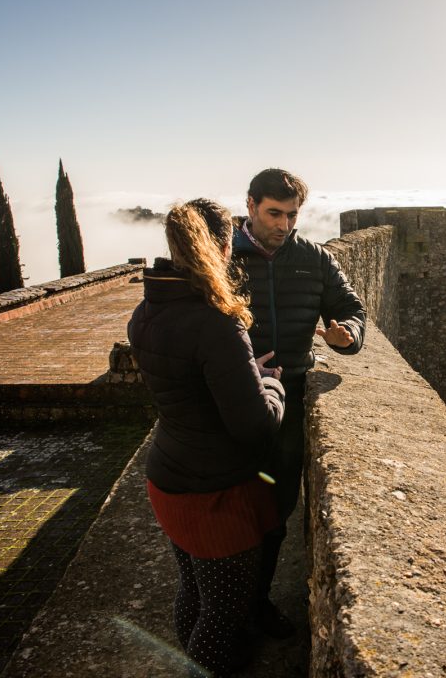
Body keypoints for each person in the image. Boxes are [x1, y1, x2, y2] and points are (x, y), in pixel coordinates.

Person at [127, 199, 285, 676]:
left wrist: (240, 374)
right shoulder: (217, 321)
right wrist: (271, 384)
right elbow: (256, 423)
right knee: (222, 616)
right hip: (213, 493)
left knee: (193, 593)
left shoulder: (146, 311)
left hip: (168, 480)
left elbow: (189, 384)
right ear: (222, 244)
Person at [231, 168, 366, 637]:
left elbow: (351, 307)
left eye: (292, 215)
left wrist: (348, 335)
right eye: (274, 213)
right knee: (227, 506)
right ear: (250, 205)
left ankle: (256, 601)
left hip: (288, 405)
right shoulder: (221, 257)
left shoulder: (314, 259)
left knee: (275, 509)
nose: (284, 225)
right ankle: (222, 603)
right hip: (231, 401)